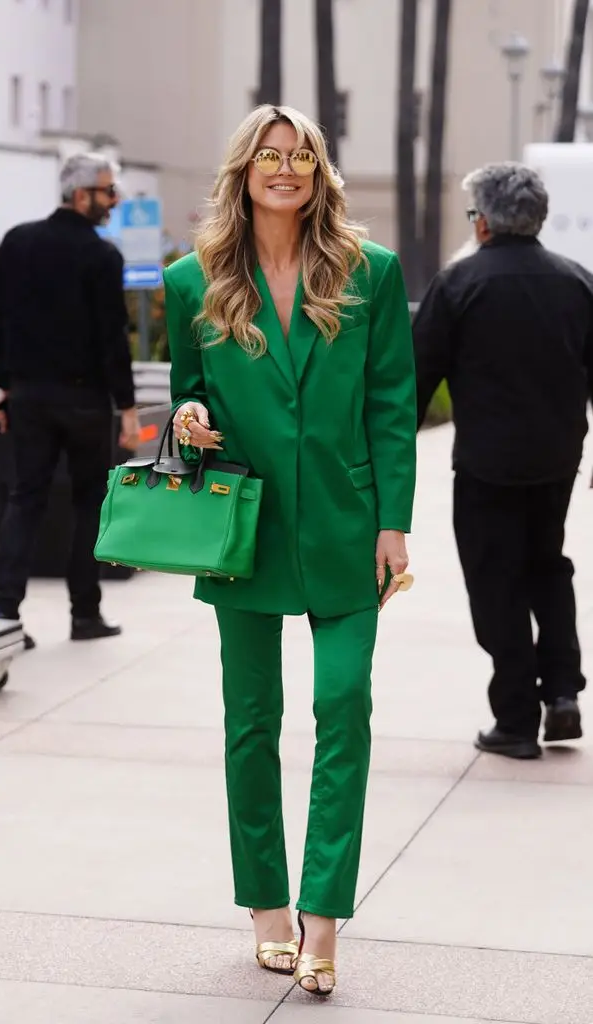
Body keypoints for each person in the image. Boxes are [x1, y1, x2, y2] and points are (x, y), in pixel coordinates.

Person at [164, 105, 417, 996]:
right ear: (243, 172)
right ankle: (265, 907)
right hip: (246, 530)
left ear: (318, 175)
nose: (285, 171)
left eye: (300, 159)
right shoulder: (192, 280)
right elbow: (186, 395)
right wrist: (187, 420)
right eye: (269, 157)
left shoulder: (369, 272)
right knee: (251, 725)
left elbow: (392, 403)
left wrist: (394, 521)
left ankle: (322, 917)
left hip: (349, 527)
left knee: (343, 712)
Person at [414, 162, 593, 761]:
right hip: (558, 458)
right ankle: (562, 691)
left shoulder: (459, 283)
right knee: (548, 565)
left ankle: (515, 718)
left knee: (496, 584)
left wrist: (386, 455)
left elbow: (417, 376)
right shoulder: (578, 282)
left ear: (484, 221)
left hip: (488, 464)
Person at [0, 152, 141, 645]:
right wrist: (128, 407)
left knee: (24, 499)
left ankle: (3, 616)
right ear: (81, 196)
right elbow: (111, 339)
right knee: (88, 503)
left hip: (29, 396)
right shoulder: (101, 256)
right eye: (108, 191)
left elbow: (0, 320)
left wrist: (4, 387)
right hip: (84, 401)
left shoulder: (16, 242)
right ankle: (85, 614)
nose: (114, 201)